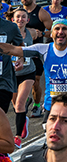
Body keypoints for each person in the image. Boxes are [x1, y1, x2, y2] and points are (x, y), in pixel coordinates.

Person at [9, 8, 35, 149]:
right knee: (16, 106)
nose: (20, 19)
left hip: (28, 72)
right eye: (17, 17)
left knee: (19, 104)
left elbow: (46, 36)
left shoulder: (31, 32)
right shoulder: (8, 34)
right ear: (13, 19)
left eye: (23, 17)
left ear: (27, 19)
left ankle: (17, 137)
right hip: (12, 74)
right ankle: (23, 118)